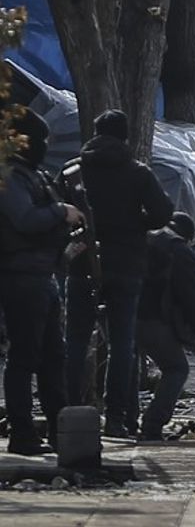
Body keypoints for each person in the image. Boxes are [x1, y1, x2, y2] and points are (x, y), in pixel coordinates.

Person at [66, 110, 174, 438]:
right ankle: (117, 417)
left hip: (81, 265)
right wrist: (134, 224)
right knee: (122, 344)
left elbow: (58, 213)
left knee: (75, 340)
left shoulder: (73, 172)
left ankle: (68, 412)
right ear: (125, 137)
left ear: (94, 133)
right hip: (126, 265)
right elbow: (163, 213)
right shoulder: (137, 173)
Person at [0, 109, 84, 454]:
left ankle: (58, 430)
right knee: (25, 357)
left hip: (43, 274)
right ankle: (22, 434)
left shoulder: (33, 175)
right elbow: (24, 219)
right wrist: (60, 212)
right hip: (22, 277)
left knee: (53, 357)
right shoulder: (10, 177)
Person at [136, 213, 195, 441]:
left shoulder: (144, 239)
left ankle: (122, 421)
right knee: (176, 368)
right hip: (153, 319)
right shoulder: (179, 251)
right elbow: (192, 300)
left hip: (122, 313)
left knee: (127, 365)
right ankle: (152, 424)